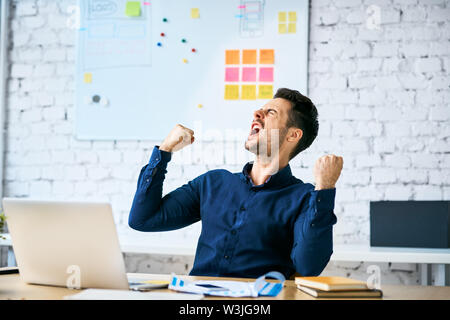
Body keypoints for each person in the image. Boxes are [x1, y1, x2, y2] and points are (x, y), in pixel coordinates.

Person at [129, 88, 343, 279]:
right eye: (260, 110)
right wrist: (165, 150)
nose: (256, 114)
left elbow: (309, 267)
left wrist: (324, 189)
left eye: (271, 113)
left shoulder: (305, 197)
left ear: (293, 135)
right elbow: (143, 219)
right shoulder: (213, 183)